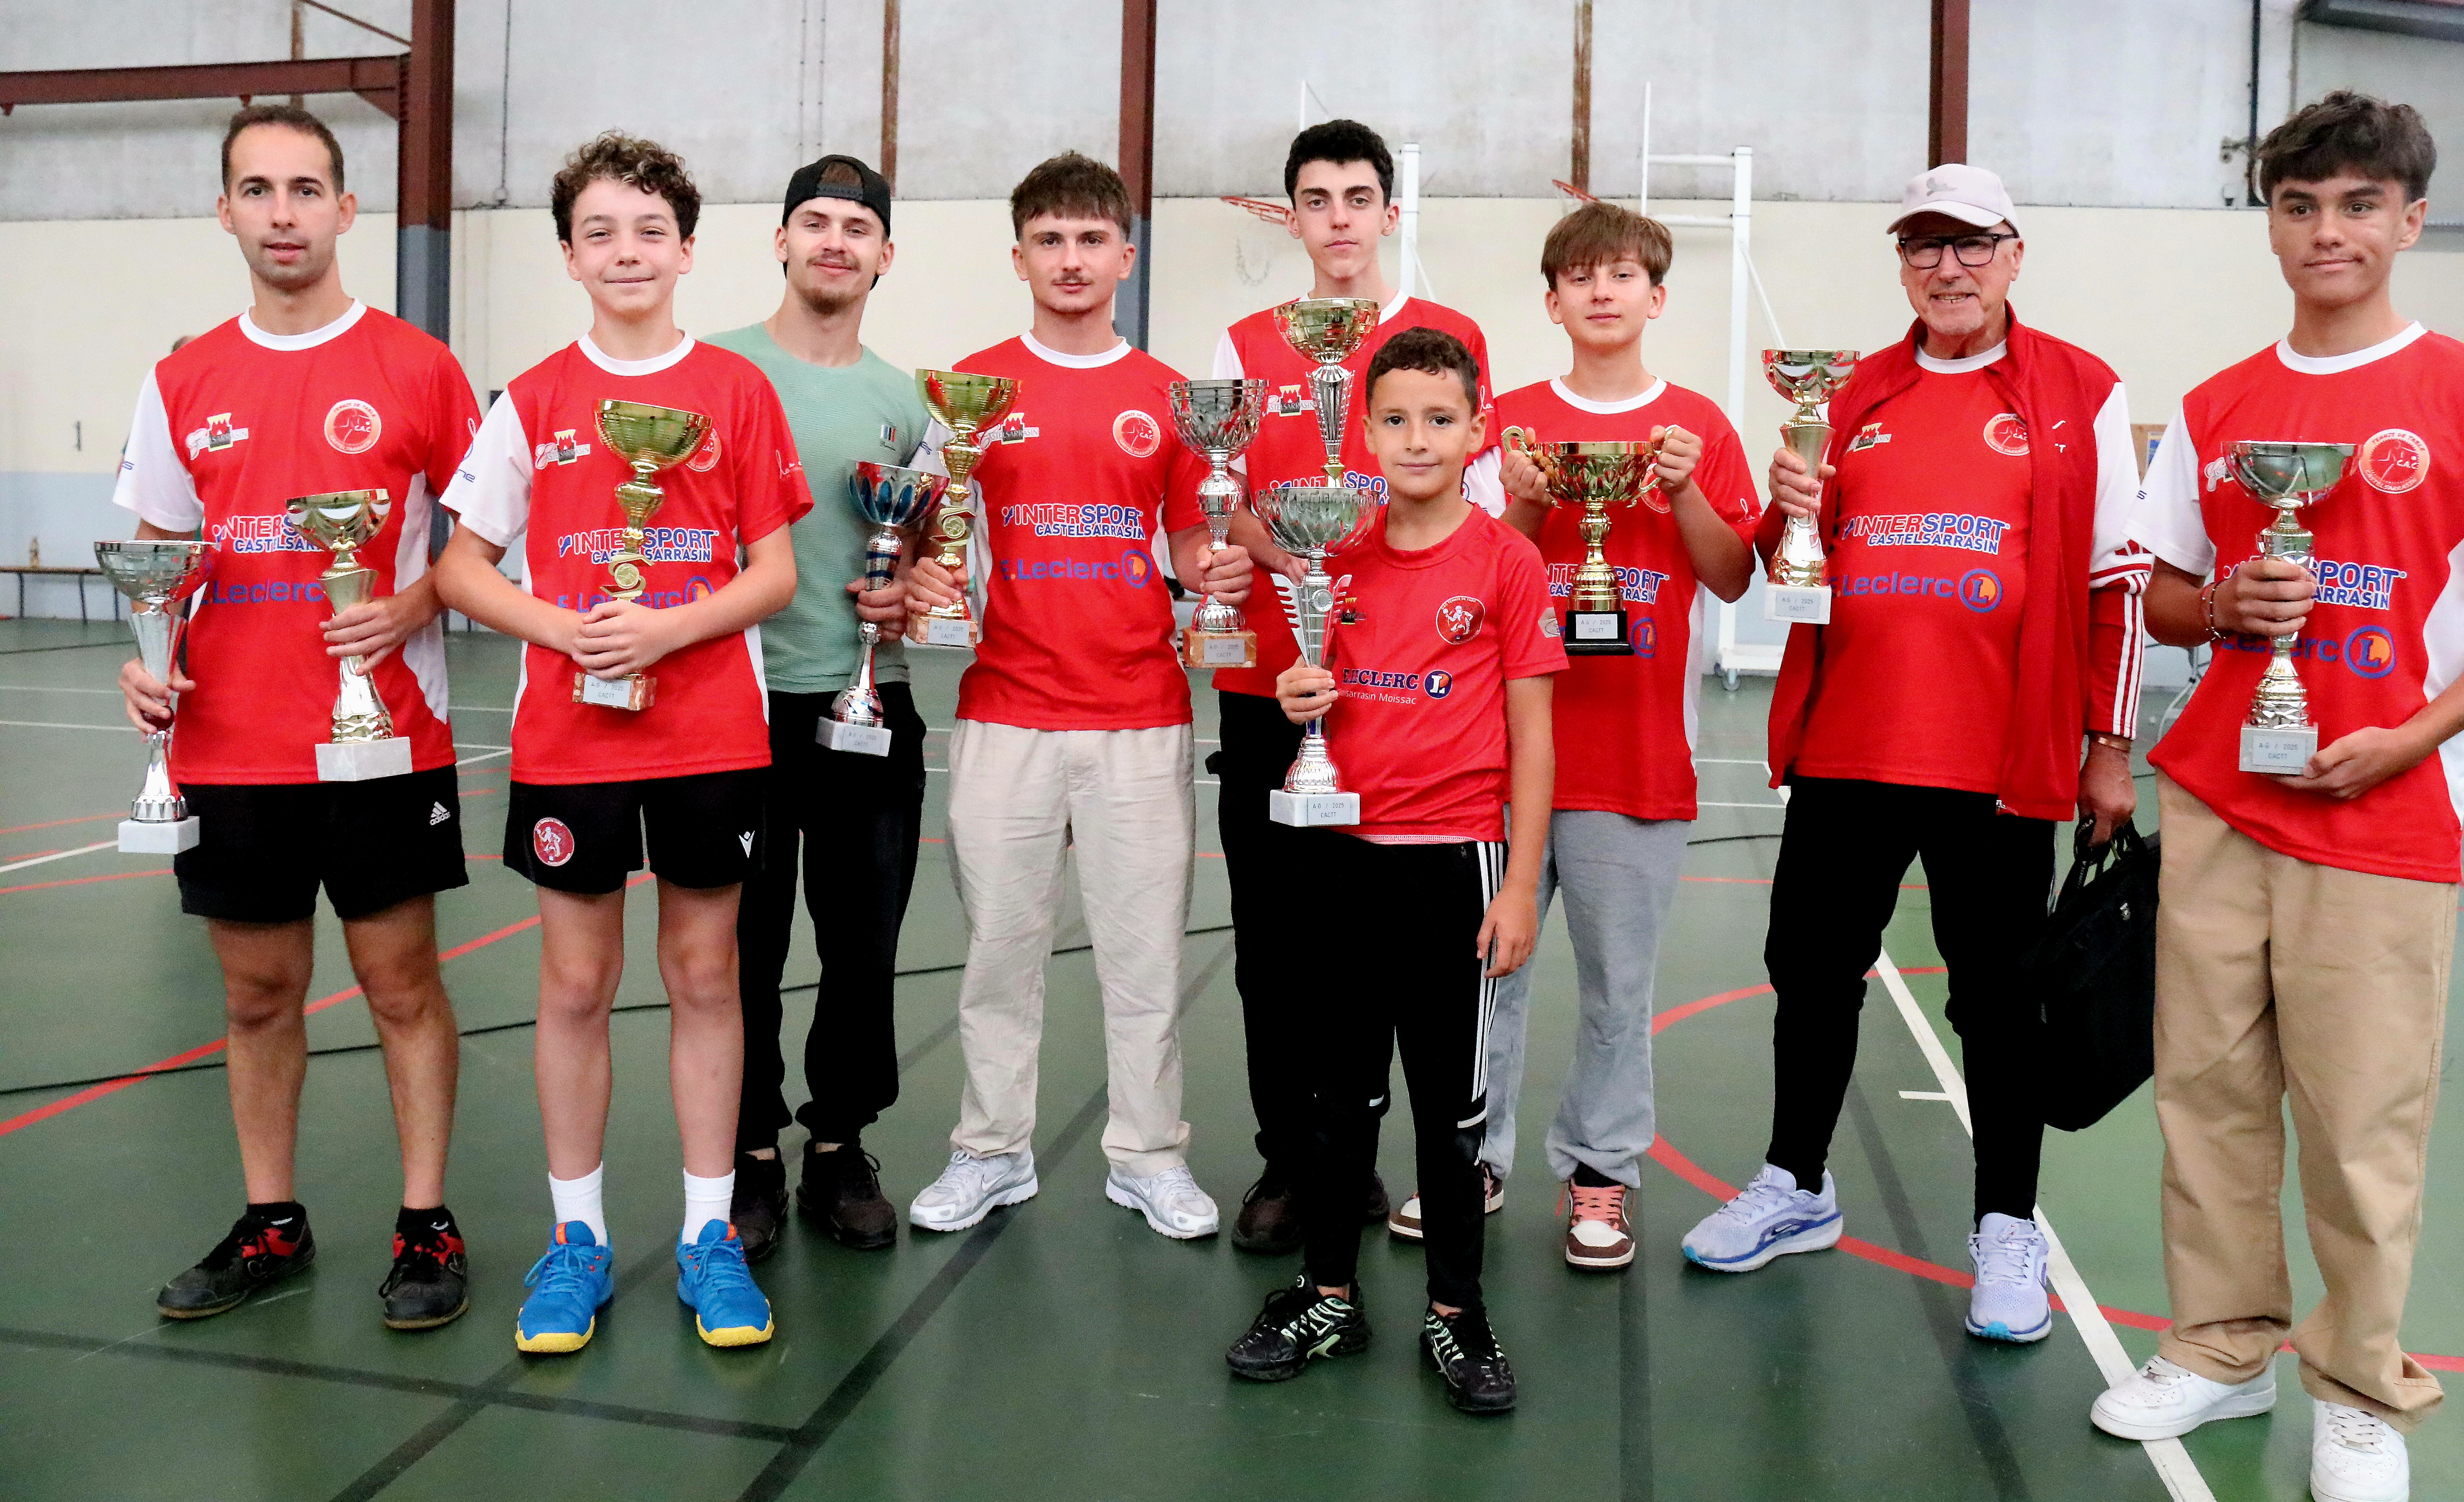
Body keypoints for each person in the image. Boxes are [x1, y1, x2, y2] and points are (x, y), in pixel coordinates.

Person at [1680, 164, 2148, 1346]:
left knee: (1996, 1000)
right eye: (1925, 246)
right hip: (1850, 743)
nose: (1948, 267)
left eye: (1971, 244)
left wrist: (2109, 744)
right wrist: (1791, 505)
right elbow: (1785, 566)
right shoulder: (1848, 394)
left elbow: (2116, 585)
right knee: (1810, 966)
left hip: (1998, 755)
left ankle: (2004, 1222)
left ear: (2012, 253)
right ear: (1899, 262)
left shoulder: (2077, 390)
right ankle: (1796, 1182)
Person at [2090, 93, 2451, 1502]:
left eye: (2359, 204)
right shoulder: (2223, 404)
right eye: (2300, 205)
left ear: (2409, 221)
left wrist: (2410, 737)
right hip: (2224, 802)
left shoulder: (2456, 388)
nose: (2328, 230)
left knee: (2360, 1120)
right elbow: (2158, 589)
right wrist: (2219, 601)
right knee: (2210, 1094)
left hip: (2389, 808)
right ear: (2272, 224)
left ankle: (2360, 1387)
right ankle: (2222, 1342)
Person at [432, 132, 805, 1354]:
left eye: (650, 230)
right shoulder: (534, 397)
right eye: (601, 231)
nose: (627, 250)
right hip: (568, 742)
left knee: (705, 976)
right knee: (575, 985)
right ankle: (575, 1237)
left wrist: (668, 630)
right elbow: (458, 566)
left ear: (687, 250)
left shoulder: (739, 392)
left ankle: (708, 1234)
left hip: (709, 732)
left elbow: (774, 571)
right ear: (568, 255)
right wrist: (569, 631)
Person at [112, 103, 478, 1331]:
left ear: (345, 209)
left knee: (400, 986)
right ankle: (271, 1218)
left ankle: (426, 1220)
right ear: (225, 211)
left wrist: (412, 599)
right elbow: (161, 554)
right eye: (258, 190)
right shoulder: (182, 378)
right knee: (258, 997)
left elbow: (480, 545)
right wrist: (145, 662)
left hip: (384, 740)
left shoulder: (418, 368)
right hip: (230, 745)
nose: (283, 212)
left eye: (306, 189)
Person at [902, 152, 1252, 1240]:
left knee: (1143, 958)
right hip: (1003, 708)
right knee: (999, 950)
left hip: (1140, 713)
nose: (1070, 258)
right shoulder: (965, 389)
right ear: (1018, 256)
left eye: (1090, 239)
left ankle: (1147, 1153)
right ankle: (990, 1149)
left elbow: (1194, 538)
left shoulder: (1170, 399)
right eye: (1049, 240)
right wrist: (916, 572)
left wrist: (1216, 568)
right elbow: (918, 525)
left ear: (1124, 256)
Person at [1225, 327, 1563, 1415]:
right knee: (1338, 1101)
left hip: (1453, 870)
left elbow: (1535, 733)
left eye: (1438, 417)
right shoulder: (1338, 551)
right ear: (1362, 431)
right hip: (1338, 865)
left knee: (1448, 1115)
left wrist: (1519, 883)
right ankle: (1328, 1291)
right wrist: (1292, 700)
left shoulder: (1506, 561)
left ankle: (1455, 1310)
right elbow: (1305, 681)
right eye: (1395, 417)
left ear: (1477, 430)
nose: (1416, 437)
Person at [1208, 118, 1502, 1254]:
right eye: (1316, 198)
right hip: (1272, 684)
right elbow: (1222, 499)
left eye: (1357, 196)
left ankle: (1374, 1159)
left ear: (1388, 213)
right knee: (1274, 943)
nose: (1338, 217)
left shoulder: (1451, 337)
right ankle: (1293, 1161)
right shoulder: (1243, 343)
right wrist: (1299, 560)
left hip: (1405, 699)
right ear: (1291, 217)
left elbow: (1469, 516)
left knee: (1386, 948)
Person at [1479, 202, 1758, 1270]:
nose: (1603, 291)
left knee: (1617, 994)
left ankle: (1600, 1178)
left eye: (1623, 274)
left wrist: (1683, 488)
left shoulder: (1697, 425)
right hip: (1496, 761)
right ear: (1551, 301)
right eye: (1581, 276)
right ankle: (1474, 1155)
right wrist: (1528, 509)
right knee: (1485, 981)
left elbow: (1732, 574)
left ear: (1657, 296)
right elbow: (1471, 578)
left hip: (1636, 758)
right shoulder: (1501, 420)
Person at [706, 154, 943, 1260]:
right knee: (738, 946)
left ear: (884, 254)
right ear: (782, 242)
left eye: (858, 226)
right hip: (731, 712)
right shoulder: (711, 375)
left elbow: (935, 553)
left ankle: (839, 1140)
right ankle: (747, 1149)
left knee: (862, 943)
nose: (836, 242)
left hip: (866, 706)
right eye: (815, 222)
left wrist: (912, 590)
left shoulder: (908, 403)